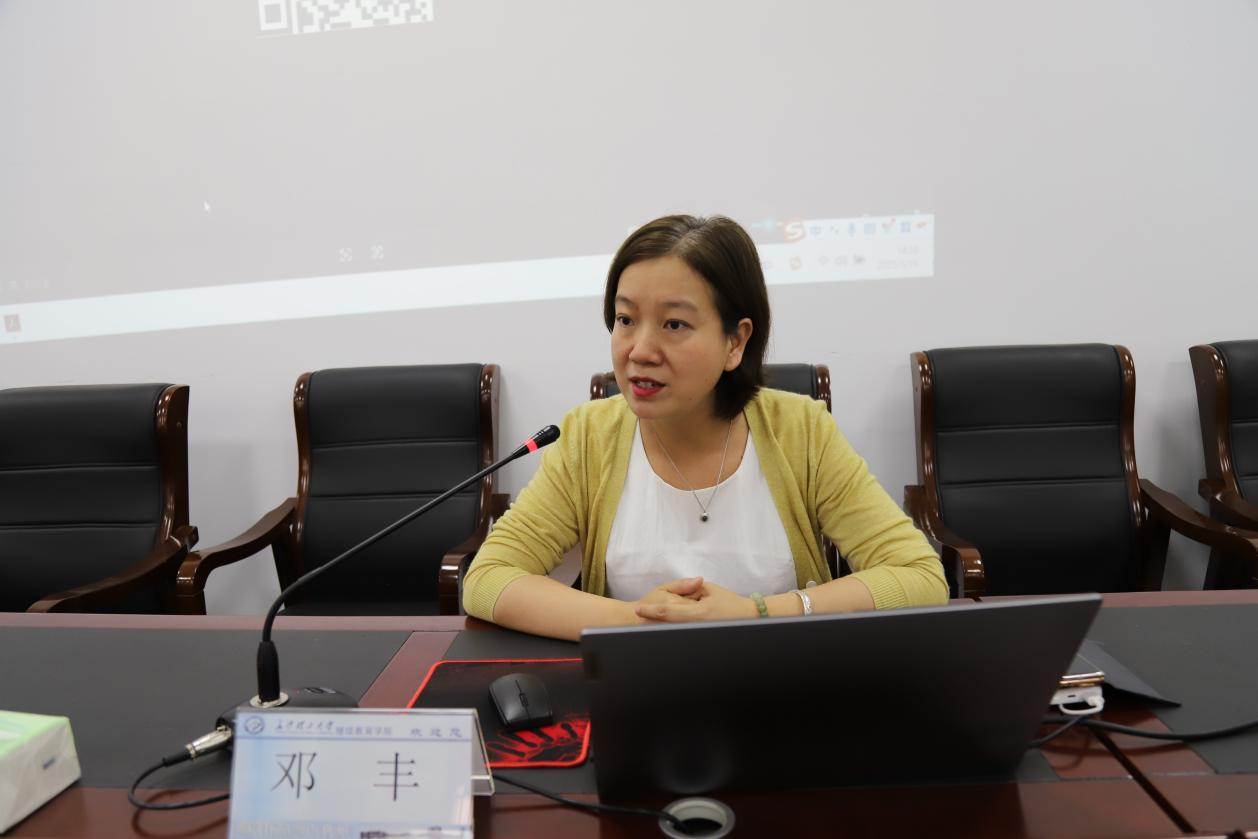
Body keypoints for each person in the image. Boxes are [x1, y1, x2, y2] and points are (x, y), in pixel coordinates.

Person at [463, 214, 947, 640]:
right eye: (625, 319)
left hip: (782, 686)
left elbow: (920, 576)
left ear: (735, 342)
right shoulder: (590, 437)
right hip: (638, 688)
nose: (639, 350)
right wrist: (639, 621)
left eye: (674, 324)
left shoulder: (800, 431)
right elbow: (489, 578)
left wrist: (756, 614)